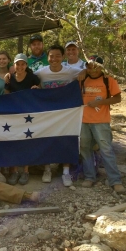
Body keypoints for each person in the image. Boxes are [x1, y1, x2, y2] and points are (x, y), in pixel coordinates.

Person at [35, 44, 83, 186]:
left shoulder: (71, 71)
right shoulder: (41, 73)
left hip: (66, 114)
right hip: (47, 113)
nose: (54, 59)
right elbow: (27, 77)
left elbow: (87, 70)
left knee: (66, 140)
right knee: (46, 139)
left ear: (63, 57)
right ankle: (47, 169)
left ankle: (66, 172)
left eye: (57, 56)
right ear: (47, 57)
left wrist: (85, 72)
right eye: (51, 56)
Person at [79, 60, 125, 193]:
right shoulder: (82, 79)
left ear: (101, 67)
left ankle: (115, 180)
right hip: (83, 120)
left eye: (96, 67)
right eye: (89, 67)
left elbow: (117, 98)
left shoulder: (108, 80)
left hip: (101, 121)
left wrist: (101, 103)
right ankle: (89, 177)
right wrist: (82, 71)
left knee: (106, 150)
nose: (93, 70)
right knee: (85, 148)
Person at [5, 54, 40, 185]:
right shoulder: (9, 79)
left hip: (28, 115)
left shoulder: (32, 77)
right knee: (13, 141)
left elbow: (40, 89)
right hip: (13, 115)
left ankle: (25, 171)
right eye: (17, 64)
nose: (20, 66)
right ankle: (14, 171)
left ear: (26, 65)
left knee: (27, 142)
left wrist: (37, 89)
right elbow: (6, 95)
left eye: (22, 64)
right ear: (14, 65)